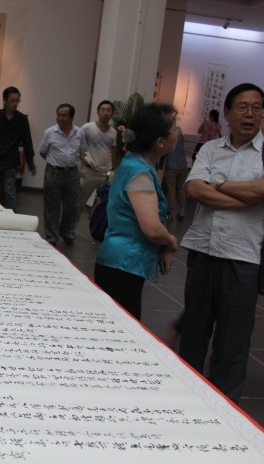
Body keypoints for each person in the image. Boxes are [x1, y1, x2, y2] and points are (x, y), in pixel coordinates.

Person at [178, 83, 264, 404]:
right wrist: (245, 195)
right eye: (242, 107)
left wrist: (219, 184)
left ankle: (224, 406)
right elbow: (195, 190)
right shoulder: (211, 148)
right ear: (227, 113)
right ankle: (186, 398)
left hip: (244, 257)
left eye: (256, 108)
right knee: (193, 334)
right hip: (203, 251)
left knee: (232, 343)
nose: (250, 114)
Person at [93, 103, 179, 320]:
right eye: (175, 129)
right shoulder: (140, 171)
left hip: (119, 261)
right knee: (124, 325)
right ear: (160, 141)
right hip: (123, 263)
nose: (178, 133)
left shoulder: (134, 162)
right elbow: (152, 229)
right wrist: (171, 241)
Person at [38, 103, 85, 246]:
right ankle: (52, 236)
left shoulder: (79, 133)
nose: (60, 118)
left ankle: (66, 231)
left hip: (72, 173)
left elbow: (82, 151)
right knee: (52, 207)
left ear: (71, 117)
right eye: (58, 115)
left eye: (64, 115)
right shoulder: (49, 132)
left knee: (72, 205)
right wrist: (54, 162)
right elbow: (42, 151)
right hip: (54, 172)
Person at [0, 86, 35, 212]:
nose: (15, 104)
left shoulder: (21, 119)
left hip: (11, 159)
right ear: (4, 100)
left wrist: (30, 162)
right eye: (12, 100)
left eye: (17, 101)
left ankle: (12, 217)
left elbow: (27, 140)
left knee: (8, 191)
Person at [77, 100, 117, 226]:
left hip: (106, 173)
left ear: (112, 113)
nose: (105, 113)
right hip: (90, 171)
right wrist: (83, 159)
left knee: (105, 203)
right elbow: (76, 143)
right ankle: (69, 228)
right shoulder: (88, 127)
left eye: (108, 110)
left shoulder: (113, 132)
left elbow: (113, 150)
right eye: (103, 110)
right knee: (79, 202)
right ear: (98, 112)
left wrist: (113, 167)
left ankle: (99, 229)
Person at [162, 126, 188, 219]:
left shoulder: (168, 137)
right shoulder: (181, 136)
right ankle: (182, 211)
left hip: (172, 166)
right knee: (181, 188)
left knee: (171, 189)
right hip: (183, 165)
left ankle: (171, 212)